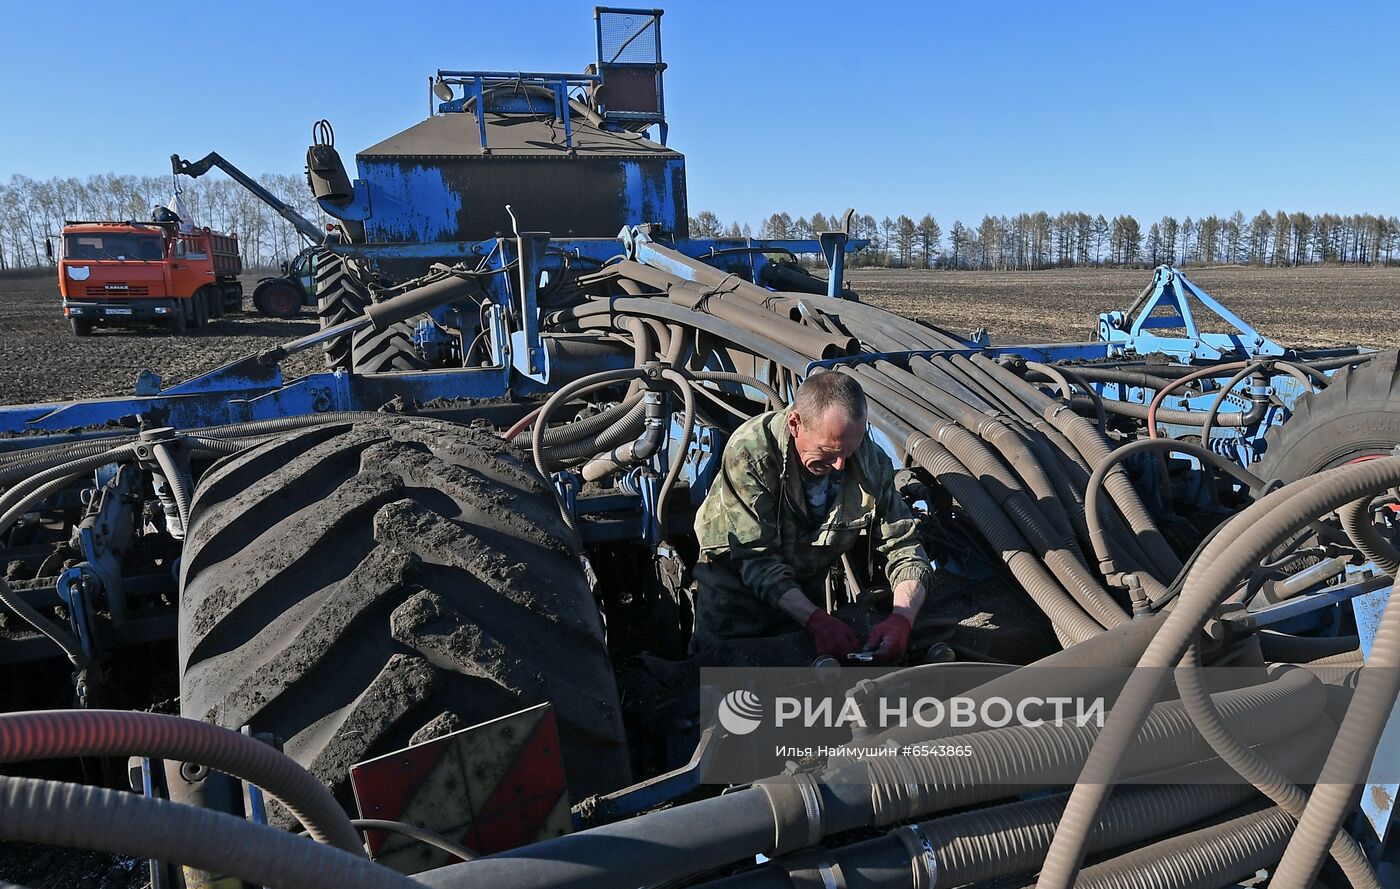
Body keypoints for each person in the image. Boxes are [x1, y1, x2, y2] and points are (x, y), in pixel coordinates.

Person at [692, 372, 933, 663]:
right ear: (795, 424)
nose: (841, 464)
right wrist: (816, 620)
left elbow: (904, 547)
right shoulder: (751, 453)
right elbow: (757, 560)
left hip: (806, 612)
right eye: (828, 451)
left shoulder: (870, 463)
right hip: (735, 611)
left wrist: (901, 618)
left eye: (850, 450)